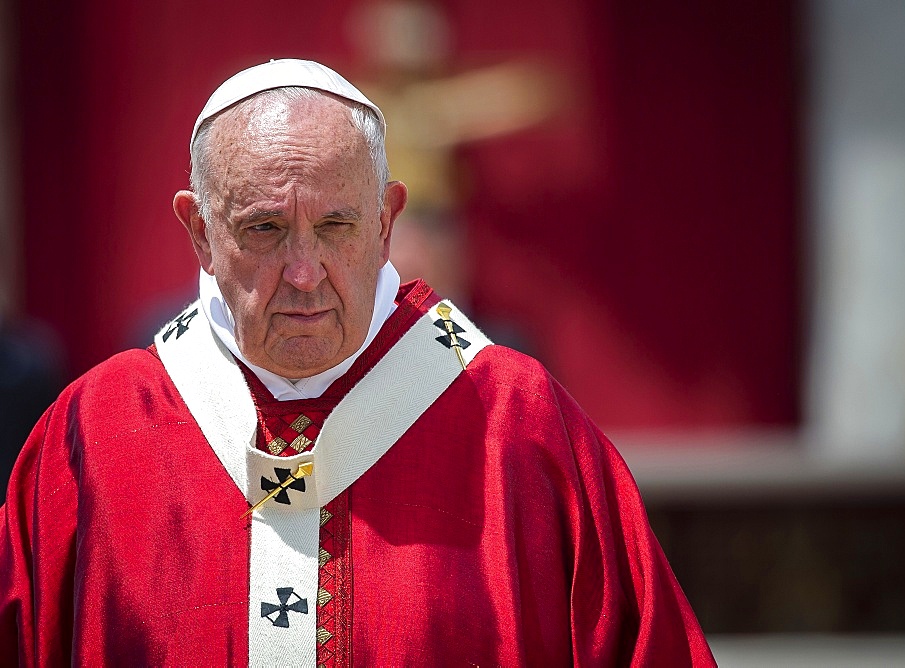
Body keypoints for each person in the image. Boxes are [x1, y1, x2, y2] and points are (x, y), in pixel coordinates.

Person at [0, 59, 715, 666]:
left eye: (337, 225)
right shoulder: (93, 438)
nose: (304, 272)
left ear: (385, 220)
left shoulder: (517, 426)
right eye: (265, 228)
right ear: (199, 230)